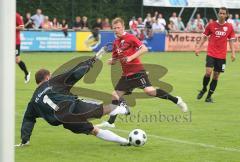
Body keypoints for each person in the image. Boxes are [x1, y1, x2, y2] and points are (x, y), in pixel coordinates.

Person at [16, 48, 131, 147]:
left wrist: (25, 139)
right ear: (46, 78)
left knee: (93, 130)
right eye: (50, 76)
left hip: (65, 120)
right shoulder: (52, 82)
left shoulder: (33, 101)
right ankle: (123, 109)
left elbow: (28, 119)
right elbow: (74, 74)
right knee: (101, 109)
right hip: (73, 107)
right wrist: (91, 61)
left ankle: (125, 141)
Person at [96, 17, 188, 128]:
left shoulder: (130, 37)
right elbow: (116, 58)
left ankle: (177, 100)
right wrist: (112, 61)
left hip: (137, 72)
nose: (116, 30)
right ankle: (111, 122)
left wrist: (131, 57)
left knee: (150, 91)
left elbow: (144, 48)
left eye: (118, 27)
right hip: (126, 75)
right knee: (115, 96)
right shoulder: (116, 42)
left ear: (123, 27)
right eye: (114, 28)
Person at [195, 7, 236, 102]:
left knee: (216, 76)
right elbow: (204, 37)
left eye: (223, 13)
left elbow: (231, 41)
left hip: (222, 55)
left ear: (226, 15)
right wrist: (198, 48)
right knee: (208, 72)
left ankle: (209, 96)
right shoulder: (211, 25)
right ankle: (204, 88)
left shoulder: (229, 27)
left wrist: (233, 53)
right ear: (218, 14)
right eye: (220, 13)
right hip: (211, 53)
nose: (221, 15)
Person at [16, 12, 30, 83]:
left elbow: (22, 27)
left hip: (15, 42)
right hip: (6, 41)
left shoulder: (17, 16)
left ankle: (27, 74)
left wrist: (12, 28)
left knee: (17, 60)